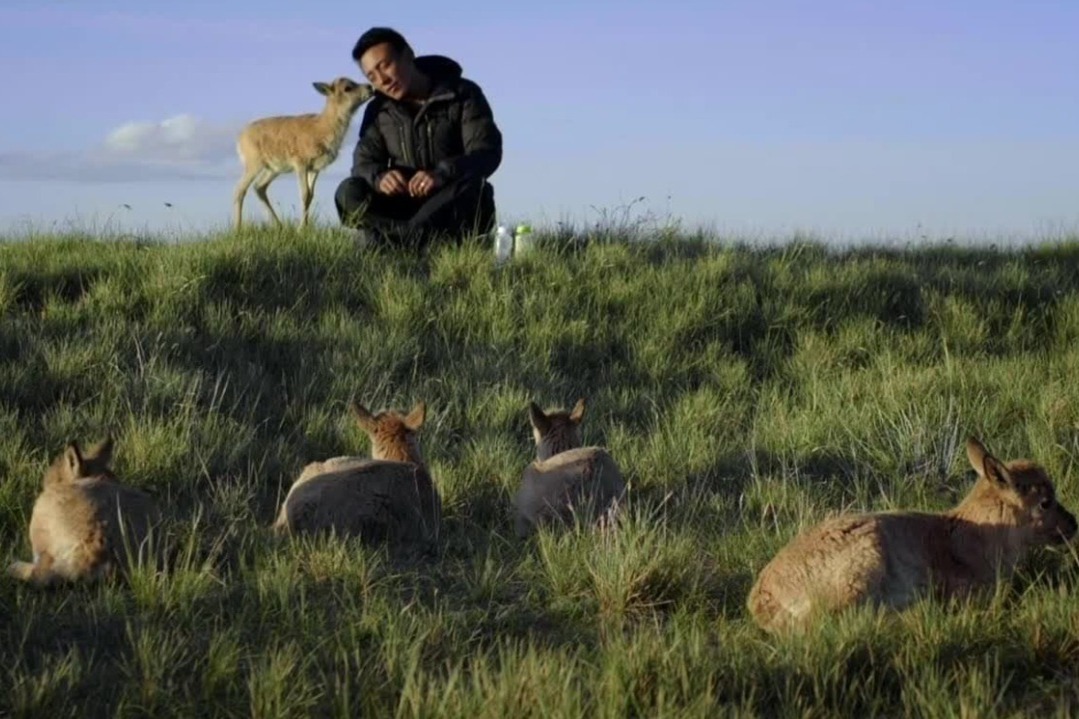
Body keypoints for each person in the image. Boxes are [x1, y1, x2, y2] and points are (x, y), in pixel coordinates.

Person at [335, 27, 503, 249]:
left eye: (385, 65)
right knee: (349, 191)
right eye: (371, 76)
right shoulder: (378, 109)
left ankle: (389, 242)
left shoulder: (463, 94)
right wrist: (380, 177)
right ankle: (415, 240)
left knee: (473, 188)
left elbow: (487, 153)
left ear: (407, 55)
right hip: (402, 207)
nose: (382, 80)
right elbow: (363, 163)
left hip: (451, 203)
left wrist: (441, 174)